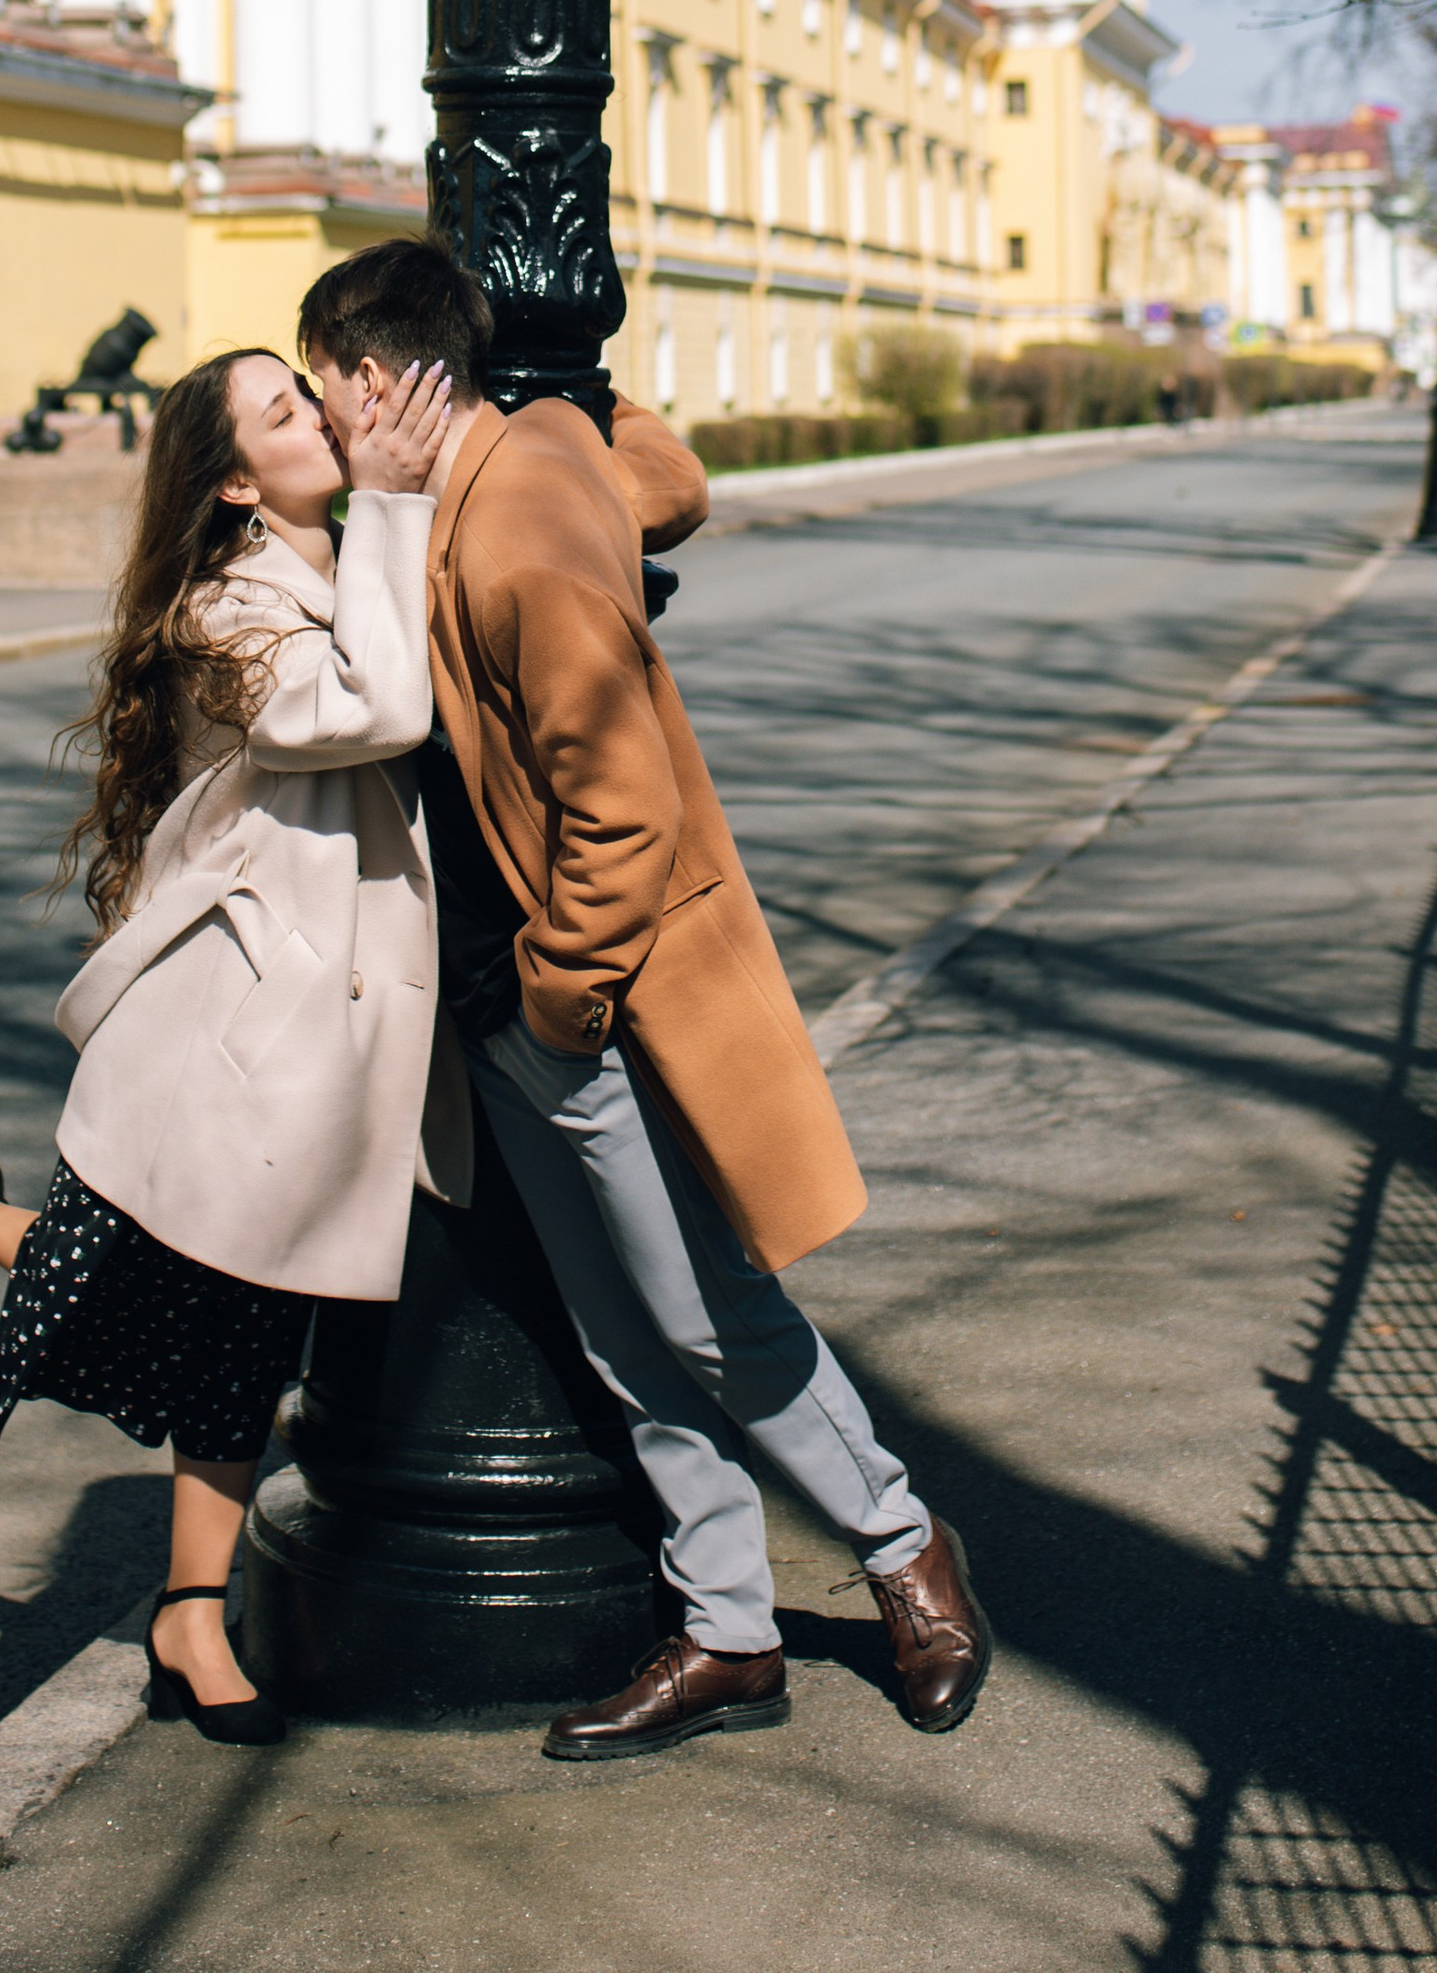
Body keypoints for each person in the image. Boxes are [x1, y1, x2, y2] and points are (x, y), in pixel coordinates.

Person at [297, 239, 993, 1759]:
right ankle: (730, 1628)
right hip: (498, 1008)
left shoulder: (518, 538)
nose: (329, 424)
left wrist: (556, 1002)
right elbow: (662, 470)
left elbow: (623, 815)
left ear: (372, 379)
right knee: (621, 1331)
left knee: (705, 1313)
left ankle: (905, 1551)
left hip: (575, 1003)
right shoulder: (519, 459)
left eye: (327, 392)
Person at [0, 342, 461, 1744]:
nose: (319, 420)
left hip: (337, 1022)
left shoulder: (342, 554)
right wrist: (386, 502)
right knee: (146, 1277)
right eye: (282, 415)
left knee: (247, 1310)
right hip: (240, 1023)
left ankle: (192, 1608)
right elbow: (378, 710)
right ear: (238, 483)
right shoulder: (222, 616)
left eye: (310, 396)